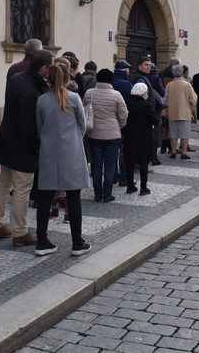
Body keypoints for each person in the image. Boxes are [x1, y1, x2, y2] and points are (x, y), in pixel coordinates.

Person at [0, 50, 53, 247]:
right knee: (22, 189)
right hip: (21, 147)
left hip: (6, 140)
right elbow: (28, 126)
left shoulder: (17, 78)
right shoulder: (31, 91)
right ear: (43, 68)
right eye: (50, 68)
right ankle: (20, 232)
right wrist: (36, 146)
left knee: (3, 184)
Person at [34, 61, 92, 257]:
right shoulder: (74, 98)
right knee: (74, 197)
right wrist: (73, 139)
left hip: (49, 152)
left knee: (45, 197)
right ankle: (77, 241)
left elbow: (39, 126)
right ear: (68, 79)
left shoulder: (42, 100)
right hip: (71, 152)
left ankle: (41, 240)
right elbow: (82, 125)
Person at [84, 69, 127, 203]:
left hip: (93, 133)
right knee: (109, 165)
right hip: (112, 135)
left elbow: (83, 111)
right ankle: (107, 194)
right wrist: (118, 126)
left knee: (96, 164)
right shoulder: (116, 95)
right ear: (111, 80)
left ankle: (97, 193)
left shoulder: (89, 94)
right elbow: (124, 114)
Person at [123, 83, 159, 195]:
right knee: (144, 162)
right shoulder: (145, 105)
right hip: (144, 137)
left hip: (129, 136)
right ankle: (143, 188)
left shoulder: (126, 103)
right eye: (146, 92)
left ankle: (130, 186)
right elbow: (155, 121)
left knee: (129, 161)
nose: (147, 94)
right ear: (142, 93)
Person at [164, 65, 197, 159]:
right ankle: (184, 152)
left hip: (172, 112)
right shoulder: (187, 84)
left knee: (173, 133)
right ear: (182, 72)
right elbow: (193, 99)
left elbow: (165, 100)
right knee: (184, 134)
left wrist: (166, 112)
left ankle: (173, 152)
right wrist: (191, 109)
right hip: (185, 112)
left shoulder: (169, 85)